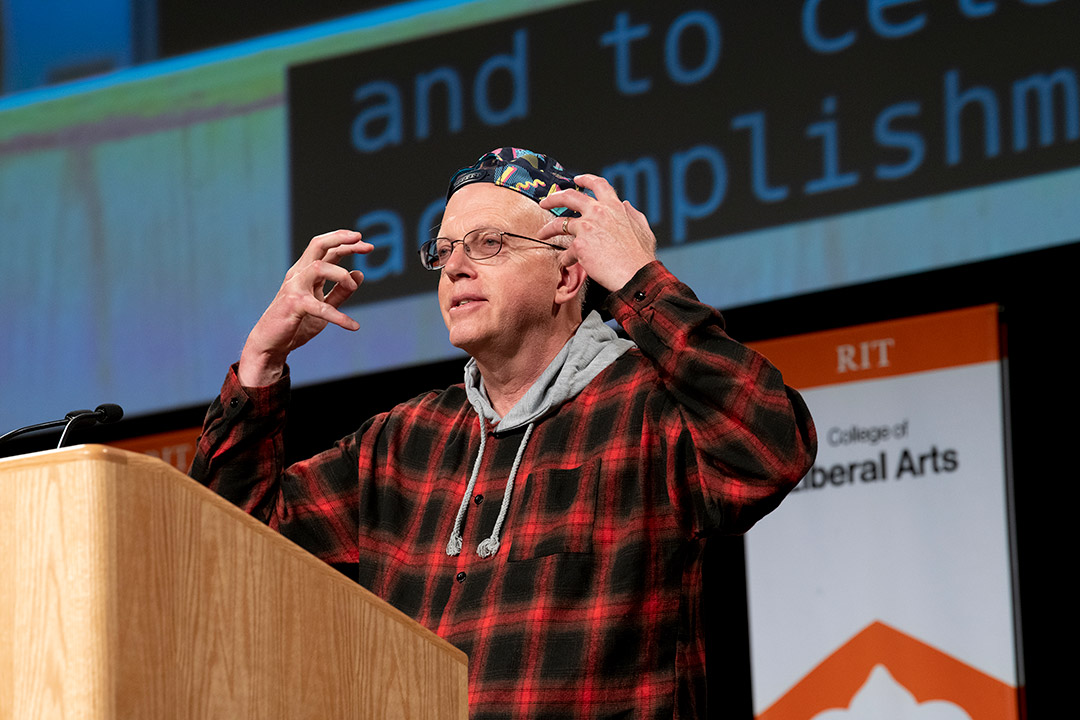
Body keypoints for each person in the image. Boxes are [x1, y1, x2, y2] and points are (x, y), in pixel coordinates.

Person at [190, 147, 817, 719]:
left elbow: (771, 447)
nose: (454, 267)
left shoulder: (648, 408)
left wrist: (637, 280)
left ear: (568, 277)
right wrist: (261, 365)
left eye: (487, 244)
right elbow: (231, 551)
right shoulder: (404, 442)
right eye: (443, 250)